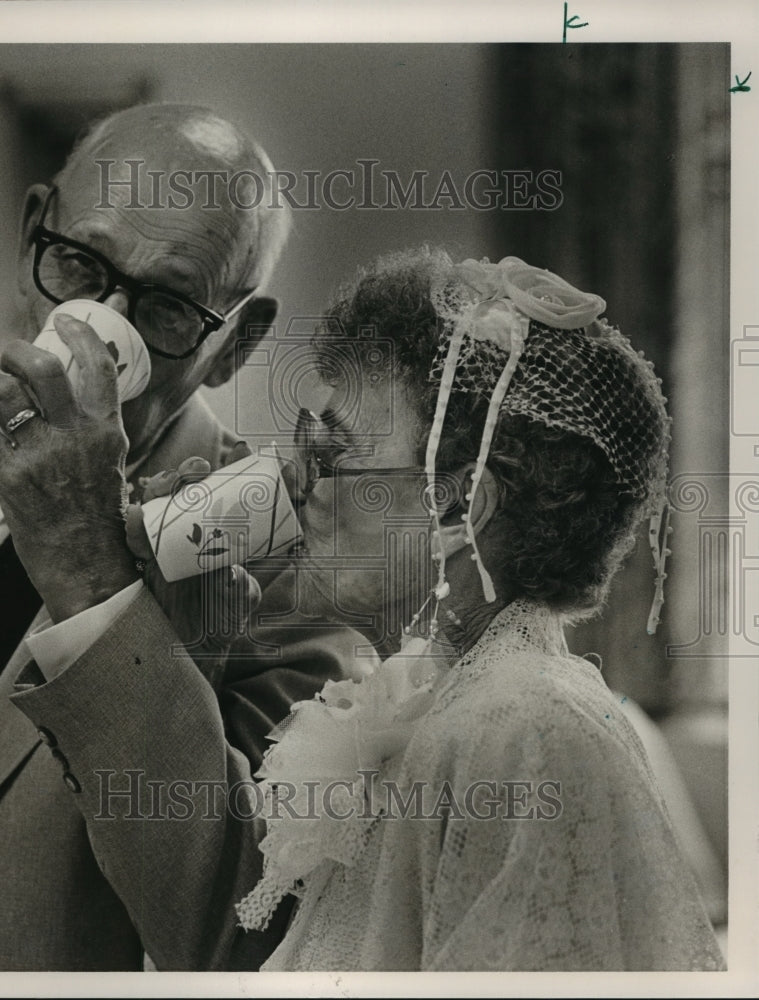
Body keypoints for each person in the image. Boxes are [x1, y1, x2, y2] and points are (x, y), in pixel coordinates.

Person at [0, 103, 345, 971]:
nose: (98, 333)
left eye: (166, 306)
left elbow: (242, 932)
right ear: (36, 229)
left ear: (233, 345)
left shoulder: (288, 565)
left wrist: (88, 571)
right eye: (78, 264)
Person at [124, 246, 726, 970]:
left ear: (454, 506)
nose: (296, 475)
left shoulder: (523, 729)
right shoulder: (415, 707)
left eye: (332, 448)